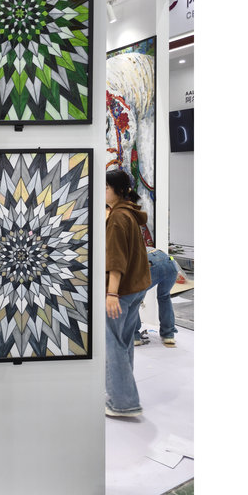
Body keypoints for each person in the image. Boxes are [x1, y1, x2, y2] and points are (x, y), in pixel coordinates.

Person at [105, 169, 152, 418]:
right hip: (137, 287)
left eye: (106, 188)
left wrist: (112, 294)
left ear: (119, 190)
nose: (102, 192)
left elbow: (116, 259)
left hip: (121, 291)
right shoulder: (130, 213)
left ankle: (123, 402)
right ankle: (121, 394)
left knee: (112, 344)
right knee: (123, 343)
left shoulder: (117, 218)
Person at [134, 248, 179, 347]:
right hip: (170, 263)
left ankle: (134, 337)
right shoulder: (137, 246)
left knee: (133, 300)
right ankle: (169, 335)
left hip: (151, 265)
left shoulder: (119, 253)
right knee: (164, 297)